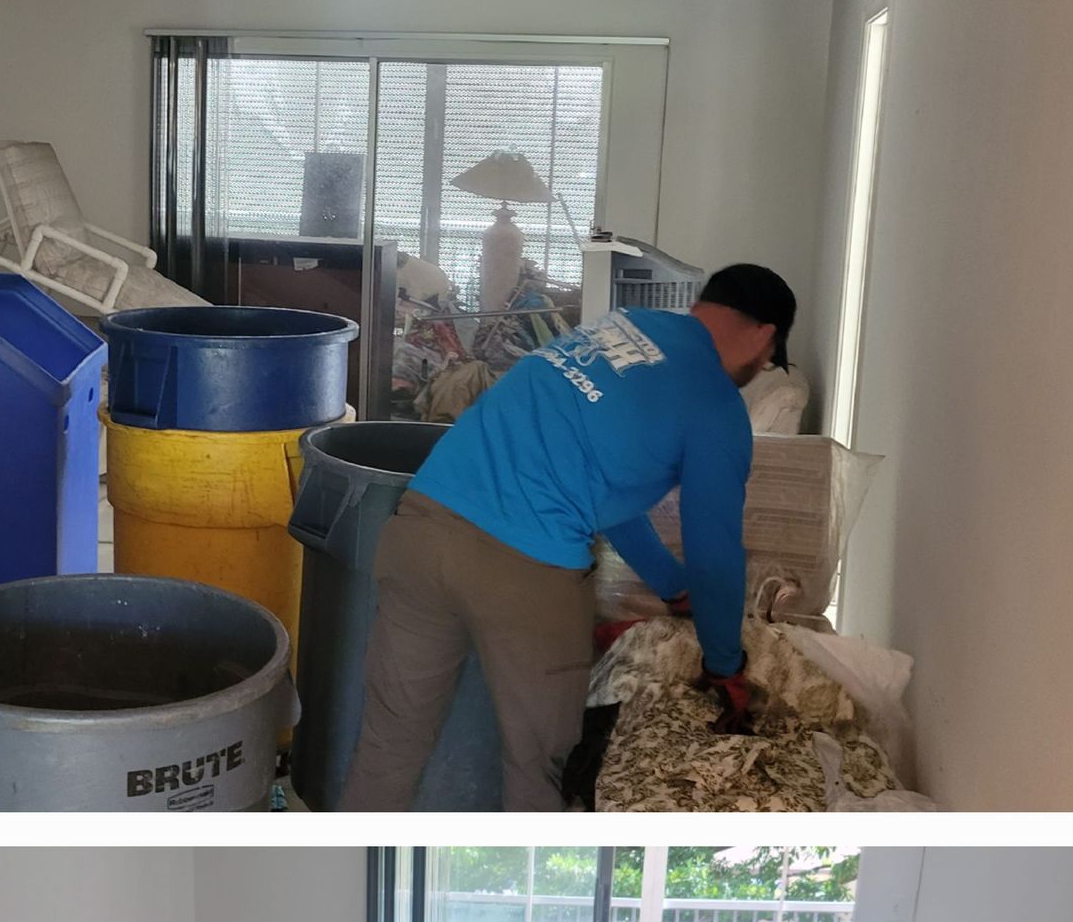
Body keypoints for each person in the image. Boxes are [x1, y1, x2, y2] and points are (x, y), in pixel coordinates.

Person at [340, 263, 798, 812]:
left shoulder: (619, 327)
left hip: (420, 529)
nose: (762, 366)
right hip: (525, 576)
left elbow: (601, 487)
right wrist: (725, 664)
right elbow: (716, 550)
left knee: (390, 743)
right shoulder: (716, 407)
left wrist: (670, 585)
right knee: (537, 766)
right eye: (770, 357)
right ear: (764, 335)